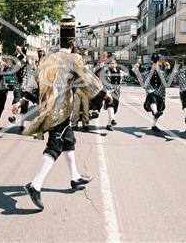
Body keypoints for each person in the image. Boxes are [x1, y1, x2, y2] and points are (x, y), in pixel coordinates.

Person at [12, 37, 112, 211]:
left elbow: (34, 83)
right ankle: (35, 185)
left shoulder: (46, 60)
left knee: (68, 140)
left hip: (47, 107)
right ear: (72, 43)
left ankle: (75, 177)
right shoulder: (74, 59)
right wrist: (104, 94)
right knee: (55, 146)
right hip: (61, 110)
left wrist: (21, 101)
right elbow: (87, 79)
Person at [133, 53, 173, 133]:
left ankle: (154, 125)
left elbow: (169, 79)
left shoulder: (163, 73)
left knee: (158, 111)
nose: (155, 66)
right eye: (153, 64)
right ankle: (155, 112)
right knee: (152, 97)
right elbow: (137, 77)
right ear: (151, 65)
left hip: (161, 96)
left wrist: (168, 68)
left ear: (158, 65)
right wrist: (136, 67)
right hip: (151, 97)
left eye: (156, 64)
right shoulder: (146, 74)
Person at [99, 55, 126, 131]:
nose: (112, 64)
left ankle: (109, 124)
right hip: (108, 92)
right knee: (110, 105)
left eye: (113, 63)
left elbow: (128, 76)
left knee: (114, 109)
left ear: (116, 64)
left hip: (117, 93)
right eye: (110, 63)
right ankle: (113, 120)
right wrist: (103, 61)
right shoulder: (106, 71)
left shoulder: (120, 72)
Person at [8, 46, 31, 132]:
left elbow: (27, 61)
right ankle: (13, 116)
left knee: (24, 108)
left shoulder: (28, 65)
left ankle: (21, 125)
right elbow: (10, 68)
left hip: (26, 88)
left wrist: (22, 53)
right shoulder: (16, 67)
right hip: (17, 87)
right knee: (16, 100)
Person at [71, 49, 91, 131]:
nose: (83, 58)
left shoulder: (89, 67)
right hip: (77, 89)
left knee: (86, 109)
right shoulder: (75, 67)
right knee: (76, 108)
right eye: (81, 56)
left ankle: (85, 124)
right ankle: (74, 124)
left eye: (84, 56)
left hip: (86, 90)